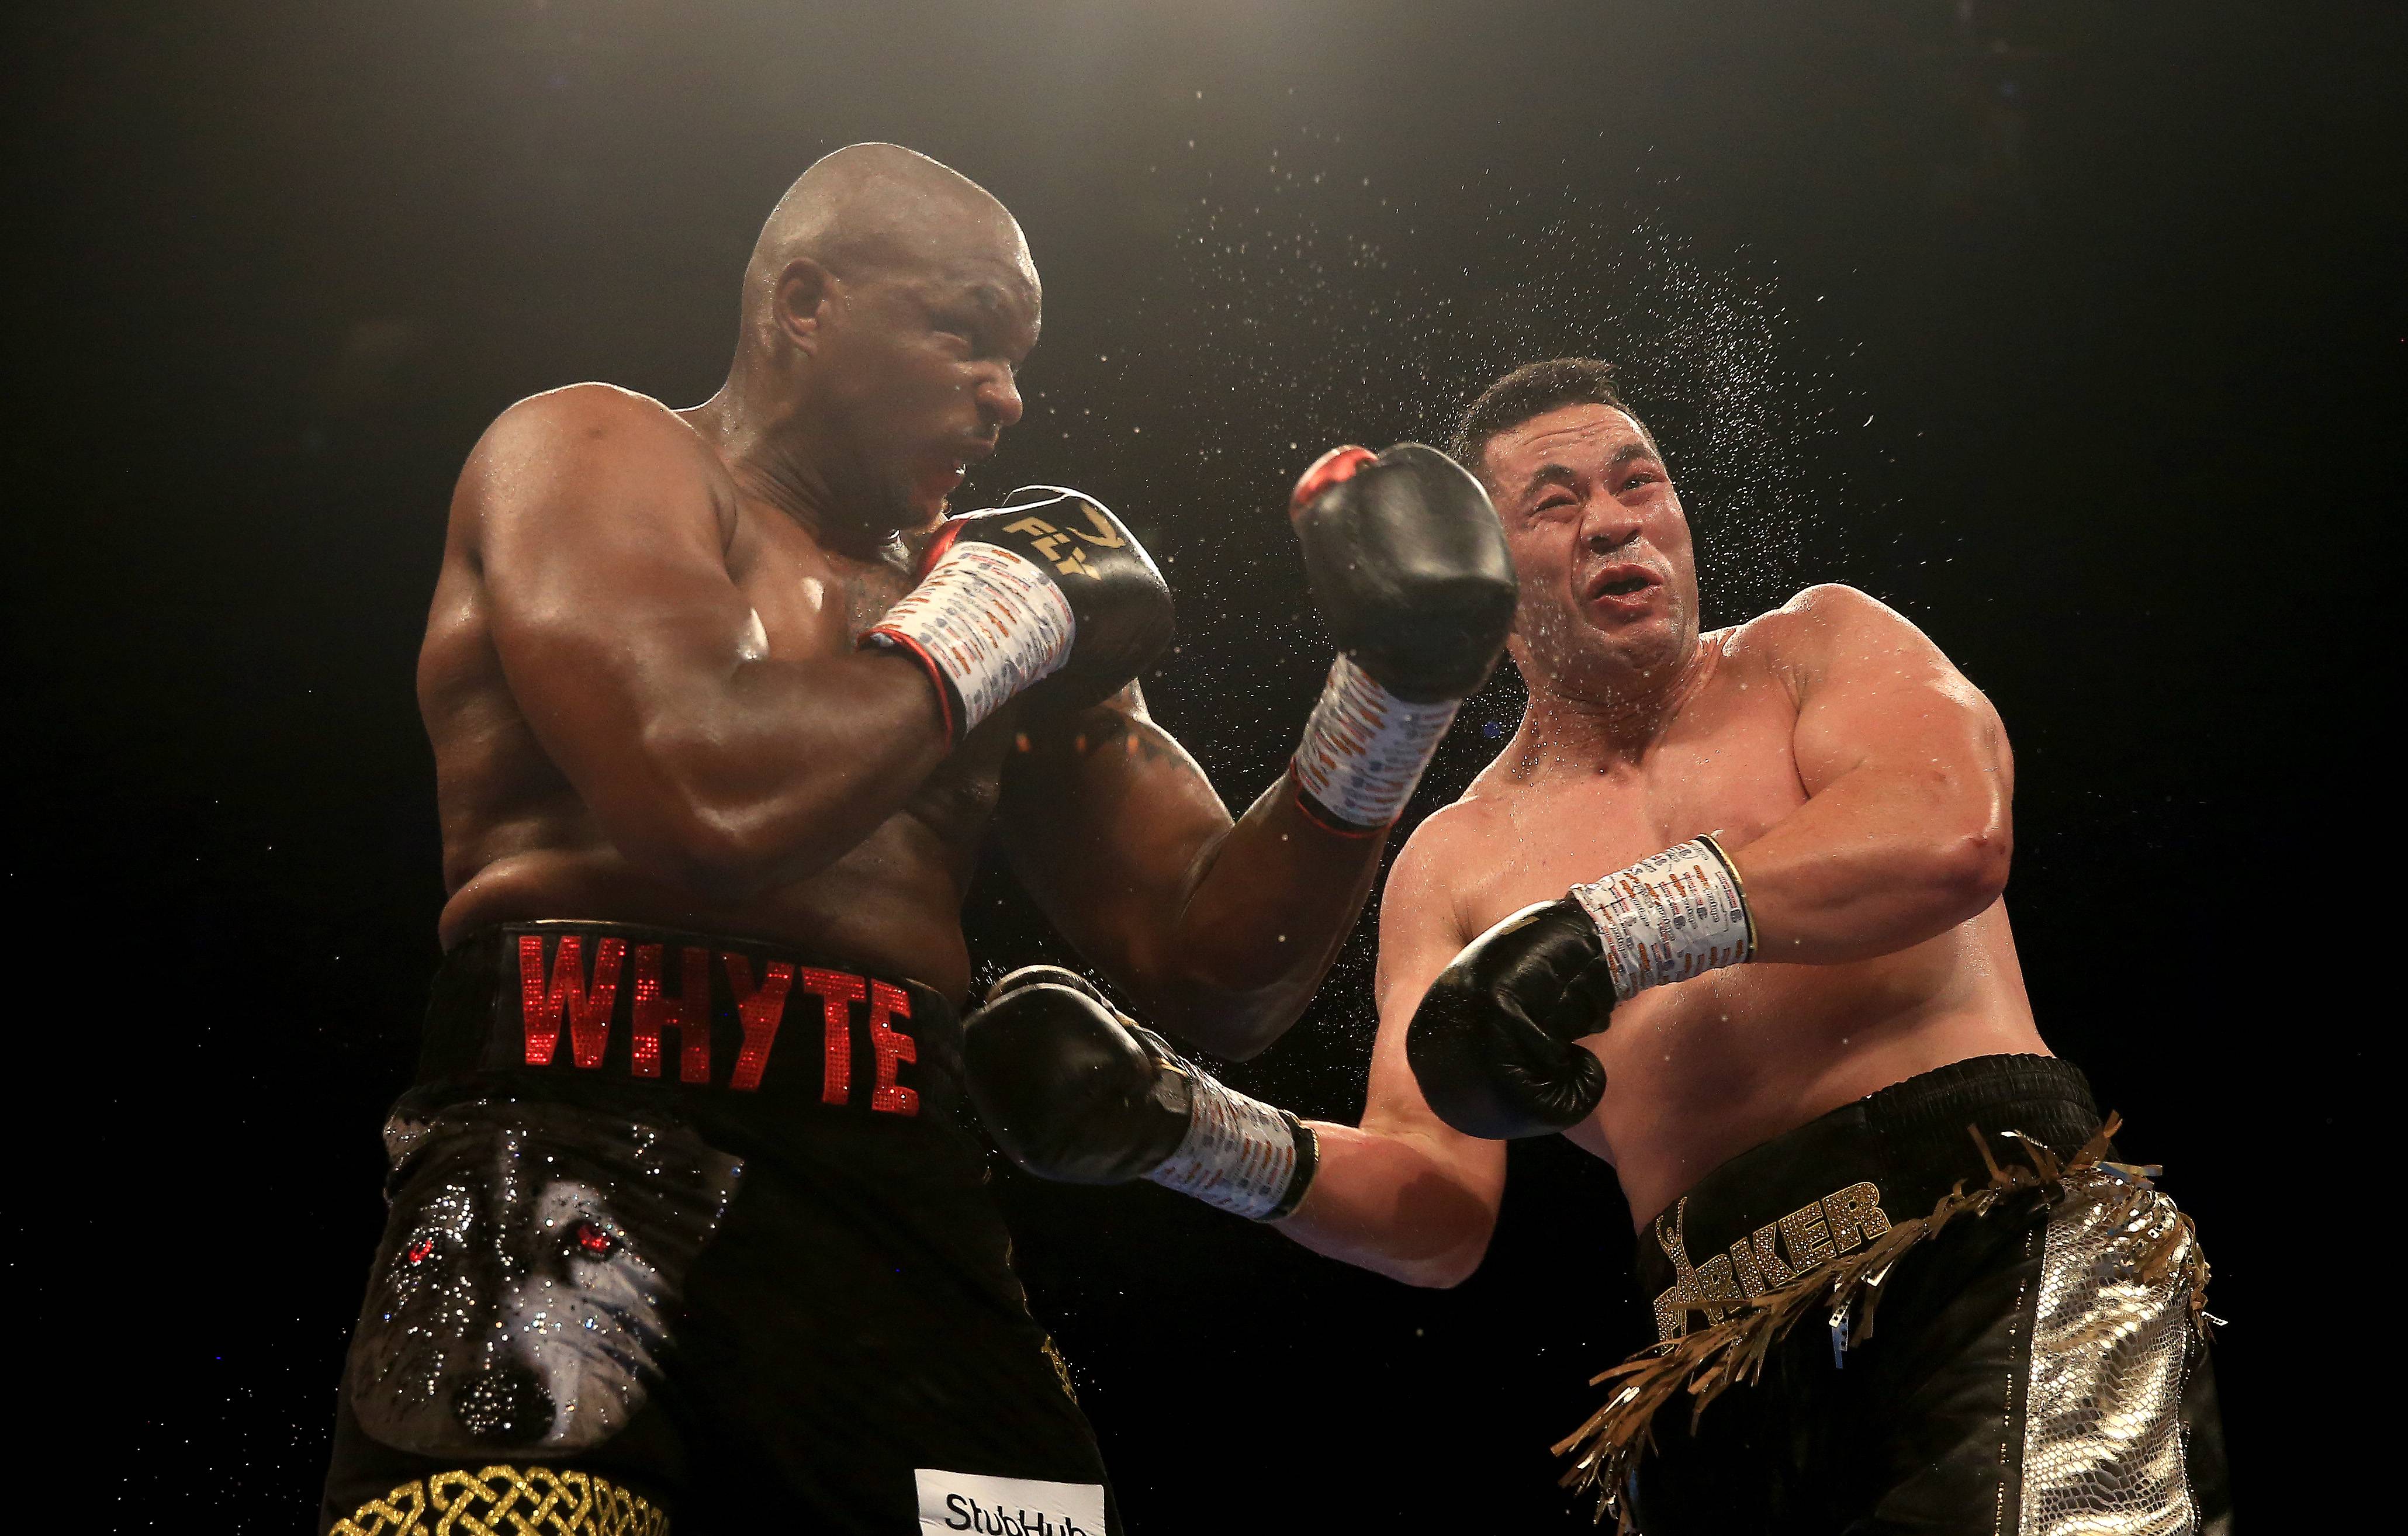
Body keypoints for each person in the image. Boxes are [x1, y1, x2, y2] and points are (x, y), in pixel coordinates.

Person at [320, 143, 1516, 1536]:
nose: (1006, 395)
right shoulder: (592, 451)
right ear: (804, 303)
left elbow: (1216, 971)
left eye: (1019, 359)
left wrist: (1390, 702)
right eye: (967, 334)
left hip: (898, 1194)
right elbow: (703, 803)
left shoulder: (990, 583)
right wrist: (995, 614)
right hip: (569, 1138)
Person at [963, 358, 2230, 1534]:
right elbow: (1436, 1210)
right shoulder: (1455, 859)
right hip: (1718, 1359)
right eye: (1556, 504)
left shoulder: (1814, 648)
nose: (1614, 523)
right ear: (1488, 565)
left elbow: (1950, 836)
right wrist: (1188, 1131)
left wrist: (1603, 933)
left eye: (1639, 484)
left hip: (1996, 1245)